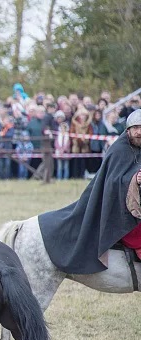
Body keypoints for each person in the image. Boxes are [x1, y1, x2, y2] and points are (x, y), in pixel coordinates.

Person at [39, 109, 141, 274]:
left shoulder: (139, 147)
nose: (139, 132)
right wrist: (134, 179)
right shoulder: (119, 150)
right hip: (118, 211)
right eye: (135, 128)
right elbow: (112, 183)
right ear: (127, 130)